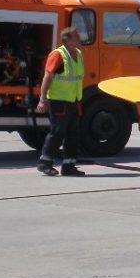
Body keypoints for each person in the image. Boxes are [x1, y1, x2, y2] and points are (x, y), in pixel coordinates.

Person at [35, 26, 86, 177]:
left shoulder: (78, 54)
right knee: (57, 132)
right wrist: (42, 100)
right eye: (76, 36)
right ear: (68, 39)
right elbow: (47, 77)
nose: (79, 38)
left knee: (73, 134)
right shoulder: (58, 55)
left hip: (73, 101)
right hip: (59, 101)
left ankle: (69, 166)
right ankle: (45, 163)